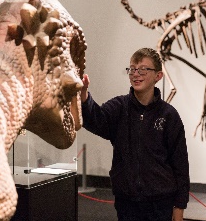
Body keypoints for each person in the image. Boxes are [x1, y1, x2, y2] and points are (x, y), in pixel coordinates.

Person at [81, 47, 190, 221]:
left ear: (158, 76)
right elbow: (96, 120)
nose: (136, 74)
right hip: (127, 203)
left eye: (143, 69)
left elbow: (181, 165)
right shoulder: (119, 107)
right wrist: (84, 96)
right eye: (132, 69)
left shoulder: (169, 115)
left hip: (161, 204)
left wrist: (180, 207)